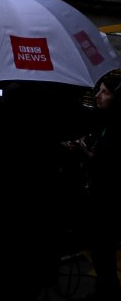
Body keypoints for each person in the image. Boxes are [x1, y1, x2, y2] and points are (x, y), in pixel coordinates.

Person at [71, 73, 121, 300]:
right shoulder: (104, 121)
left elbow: (109, 166)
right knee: (101, 248)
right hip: (99, 196)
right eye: (98, 90)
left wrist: (87, 154)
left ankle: (107, 290)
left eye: (105, 92)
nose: (99, 96)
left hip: (109, 199)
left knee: (104, 248)